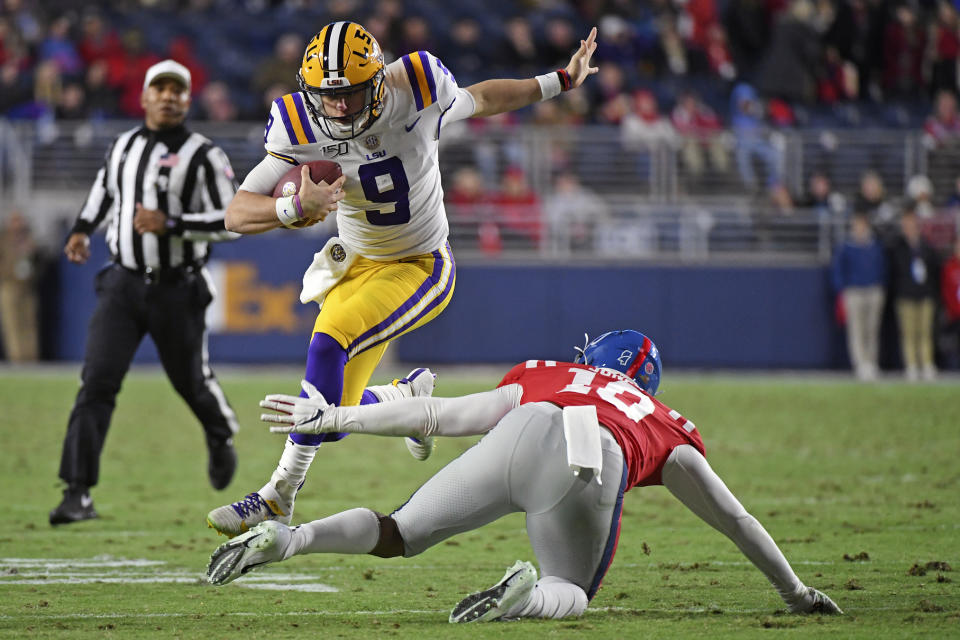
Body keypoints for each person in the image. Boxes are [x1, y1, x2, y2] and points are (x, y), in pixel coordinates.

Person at [206, 21, 600, 537]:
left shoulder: (416, 86)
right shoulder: (297, 122)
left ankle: (278, 495)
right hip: (356, 265)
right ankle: (406, 398)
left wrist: (561, 82)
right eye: (329, 95)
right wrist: (291, 207)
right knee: (333, 420)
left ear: (376, 80)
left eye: (350, 92)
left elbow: (480, 98)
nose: (340, 106)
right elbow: (236, 213)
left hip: (420, 266)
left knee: (327, 346)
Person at [207, 330, 842, 622]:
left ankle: (289, 541)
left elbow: (441, 412)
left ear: (590, 360)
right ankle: (527, 599)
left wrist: (336, 416)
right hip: (591, 451)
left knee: (398, 531)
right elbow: (735, 518)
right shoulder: (662, 419)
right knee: (574, 589)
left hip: (533, 418)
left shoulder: (546, 373)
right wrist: (794, 592)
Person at [50, 60, 242, 526]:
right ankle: (77, 493)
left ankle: (220, 435)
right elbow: (104, 191)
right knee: (96, 381)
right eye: (161, 88)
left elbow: (233, 220)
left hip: (177, 288)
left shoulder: (205, 155)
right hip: (123, 283)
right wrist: (81, 229)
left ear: (188, 99)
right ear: (144, 97)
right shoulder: (123, 146)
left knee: (191, 383)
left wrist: (172, 224)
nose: (169, 97)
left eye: (178, 90)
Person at [831, 212, 887, 380]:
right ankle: (860, 363)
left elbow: (882, 267)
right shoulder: (846, 247)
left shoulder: (874, 245)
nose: (860, 228)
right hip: (854, 292)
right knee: (856, 329)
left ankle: (871, 362)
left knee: (872, 329)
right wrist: (842, 289)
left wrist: (880, 285)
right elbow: (838, 270)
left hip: (873, 290)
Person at [888, 209, 940, 381]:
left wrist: (931, 292)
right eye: (906, 225)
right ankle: (911, 365)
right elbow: (894, 272)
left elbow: (934, 271)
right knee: (908, 333)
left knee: (925, 332)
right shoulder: (897, 247)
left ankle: (926, 364)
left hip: (925, 294)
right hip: (905, 295)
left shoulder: (926, 247)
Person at [0, 210, 40, 363]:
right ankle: (17, 359)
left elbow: (37, 264)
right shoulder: (3, 240)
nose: (19, 224)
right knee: (13, 325)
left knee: (29, 324)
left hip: (26, 287)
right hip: (9, 286)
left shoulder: (29, 240)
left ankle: (31, 358)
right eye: (15, 221)